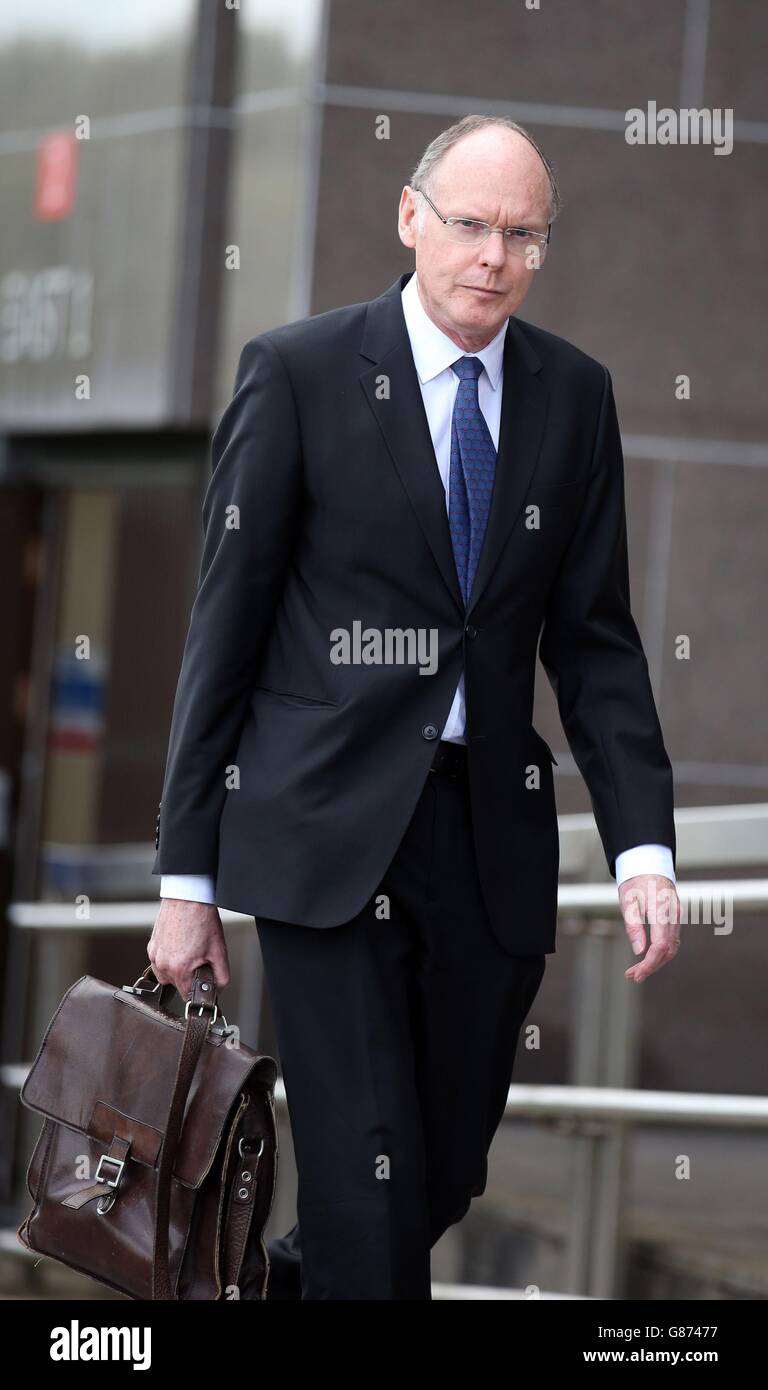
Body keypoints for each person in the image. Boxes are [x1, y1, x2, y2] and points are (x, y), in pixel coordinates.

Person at [149, 113, 681, 1300]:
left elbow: (595, 643)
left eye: (522, 234)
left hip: (485, 848)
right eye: (471, 226)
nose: (494, 255)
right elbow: (221, 635)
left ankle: (290, 1290)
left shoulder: (573, 398)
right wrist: (188, 879)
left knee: (437, 1174)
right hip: (325, 837)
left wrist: (645, 843)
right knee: (371, 1186)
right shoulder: (295, 375)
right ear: (410, 219)